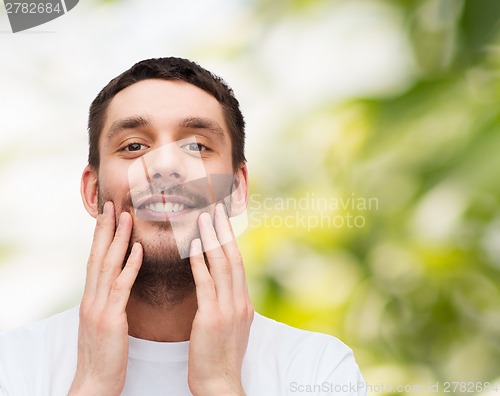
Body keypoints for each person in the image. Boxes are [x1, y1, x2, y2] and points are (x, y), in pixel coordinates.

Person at [0, 57, 366, 396]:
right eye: (133, 146)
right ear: (93, 190)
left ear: (237, 189)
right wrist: (93, 382)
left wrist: (220, 383)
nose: (163, 165)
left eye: (196, 145)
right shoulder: (13, 365)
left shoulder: (319, 368)